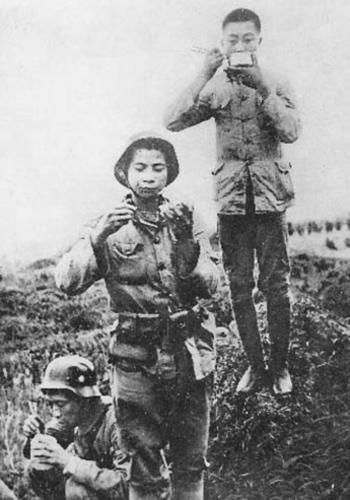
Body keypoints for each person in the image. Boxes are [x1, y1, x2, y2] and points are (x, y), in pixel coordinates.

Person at [55, 132, 219, 500]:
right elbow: (66, 281)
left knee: (191, 461)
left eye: (158, 168)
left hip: (187, 355)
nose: (148, 176)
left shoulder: (187, 219)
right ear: (124, 173)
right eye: (140, 167)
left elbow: (212, 285)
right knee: (142, 467)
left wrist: (187, 244)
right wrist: (98, 239)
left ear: (169, 173)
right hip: (134, 360)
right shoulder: (106, 224)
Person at [164, 8, 301, 395]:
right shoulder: (214, 86)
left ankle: (280, 367)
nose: (239, 46)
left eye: (247, 39)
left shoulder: (276, 81)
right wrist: (202, 73)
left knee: (276, 286)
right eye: (232, 40)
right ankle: (256, 367)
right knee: (238, 288)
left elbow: (291, 131)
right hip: (231, 203)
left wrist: (263, 90)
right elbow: (172, 122)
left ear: (260, 40)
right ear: (222, 44)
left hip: (270, 200)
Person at [23, 355, 129, 500]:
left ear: (84, 400)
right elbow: (47, 441)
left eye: (60, 404)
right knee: (36, 469)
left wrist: (69, 462)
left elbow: (127, 487)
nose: (55, 413)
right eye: (51, 404)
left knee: (76, 490)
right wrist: (35, 435)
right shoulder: (72, 419)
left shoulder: (119, 425)